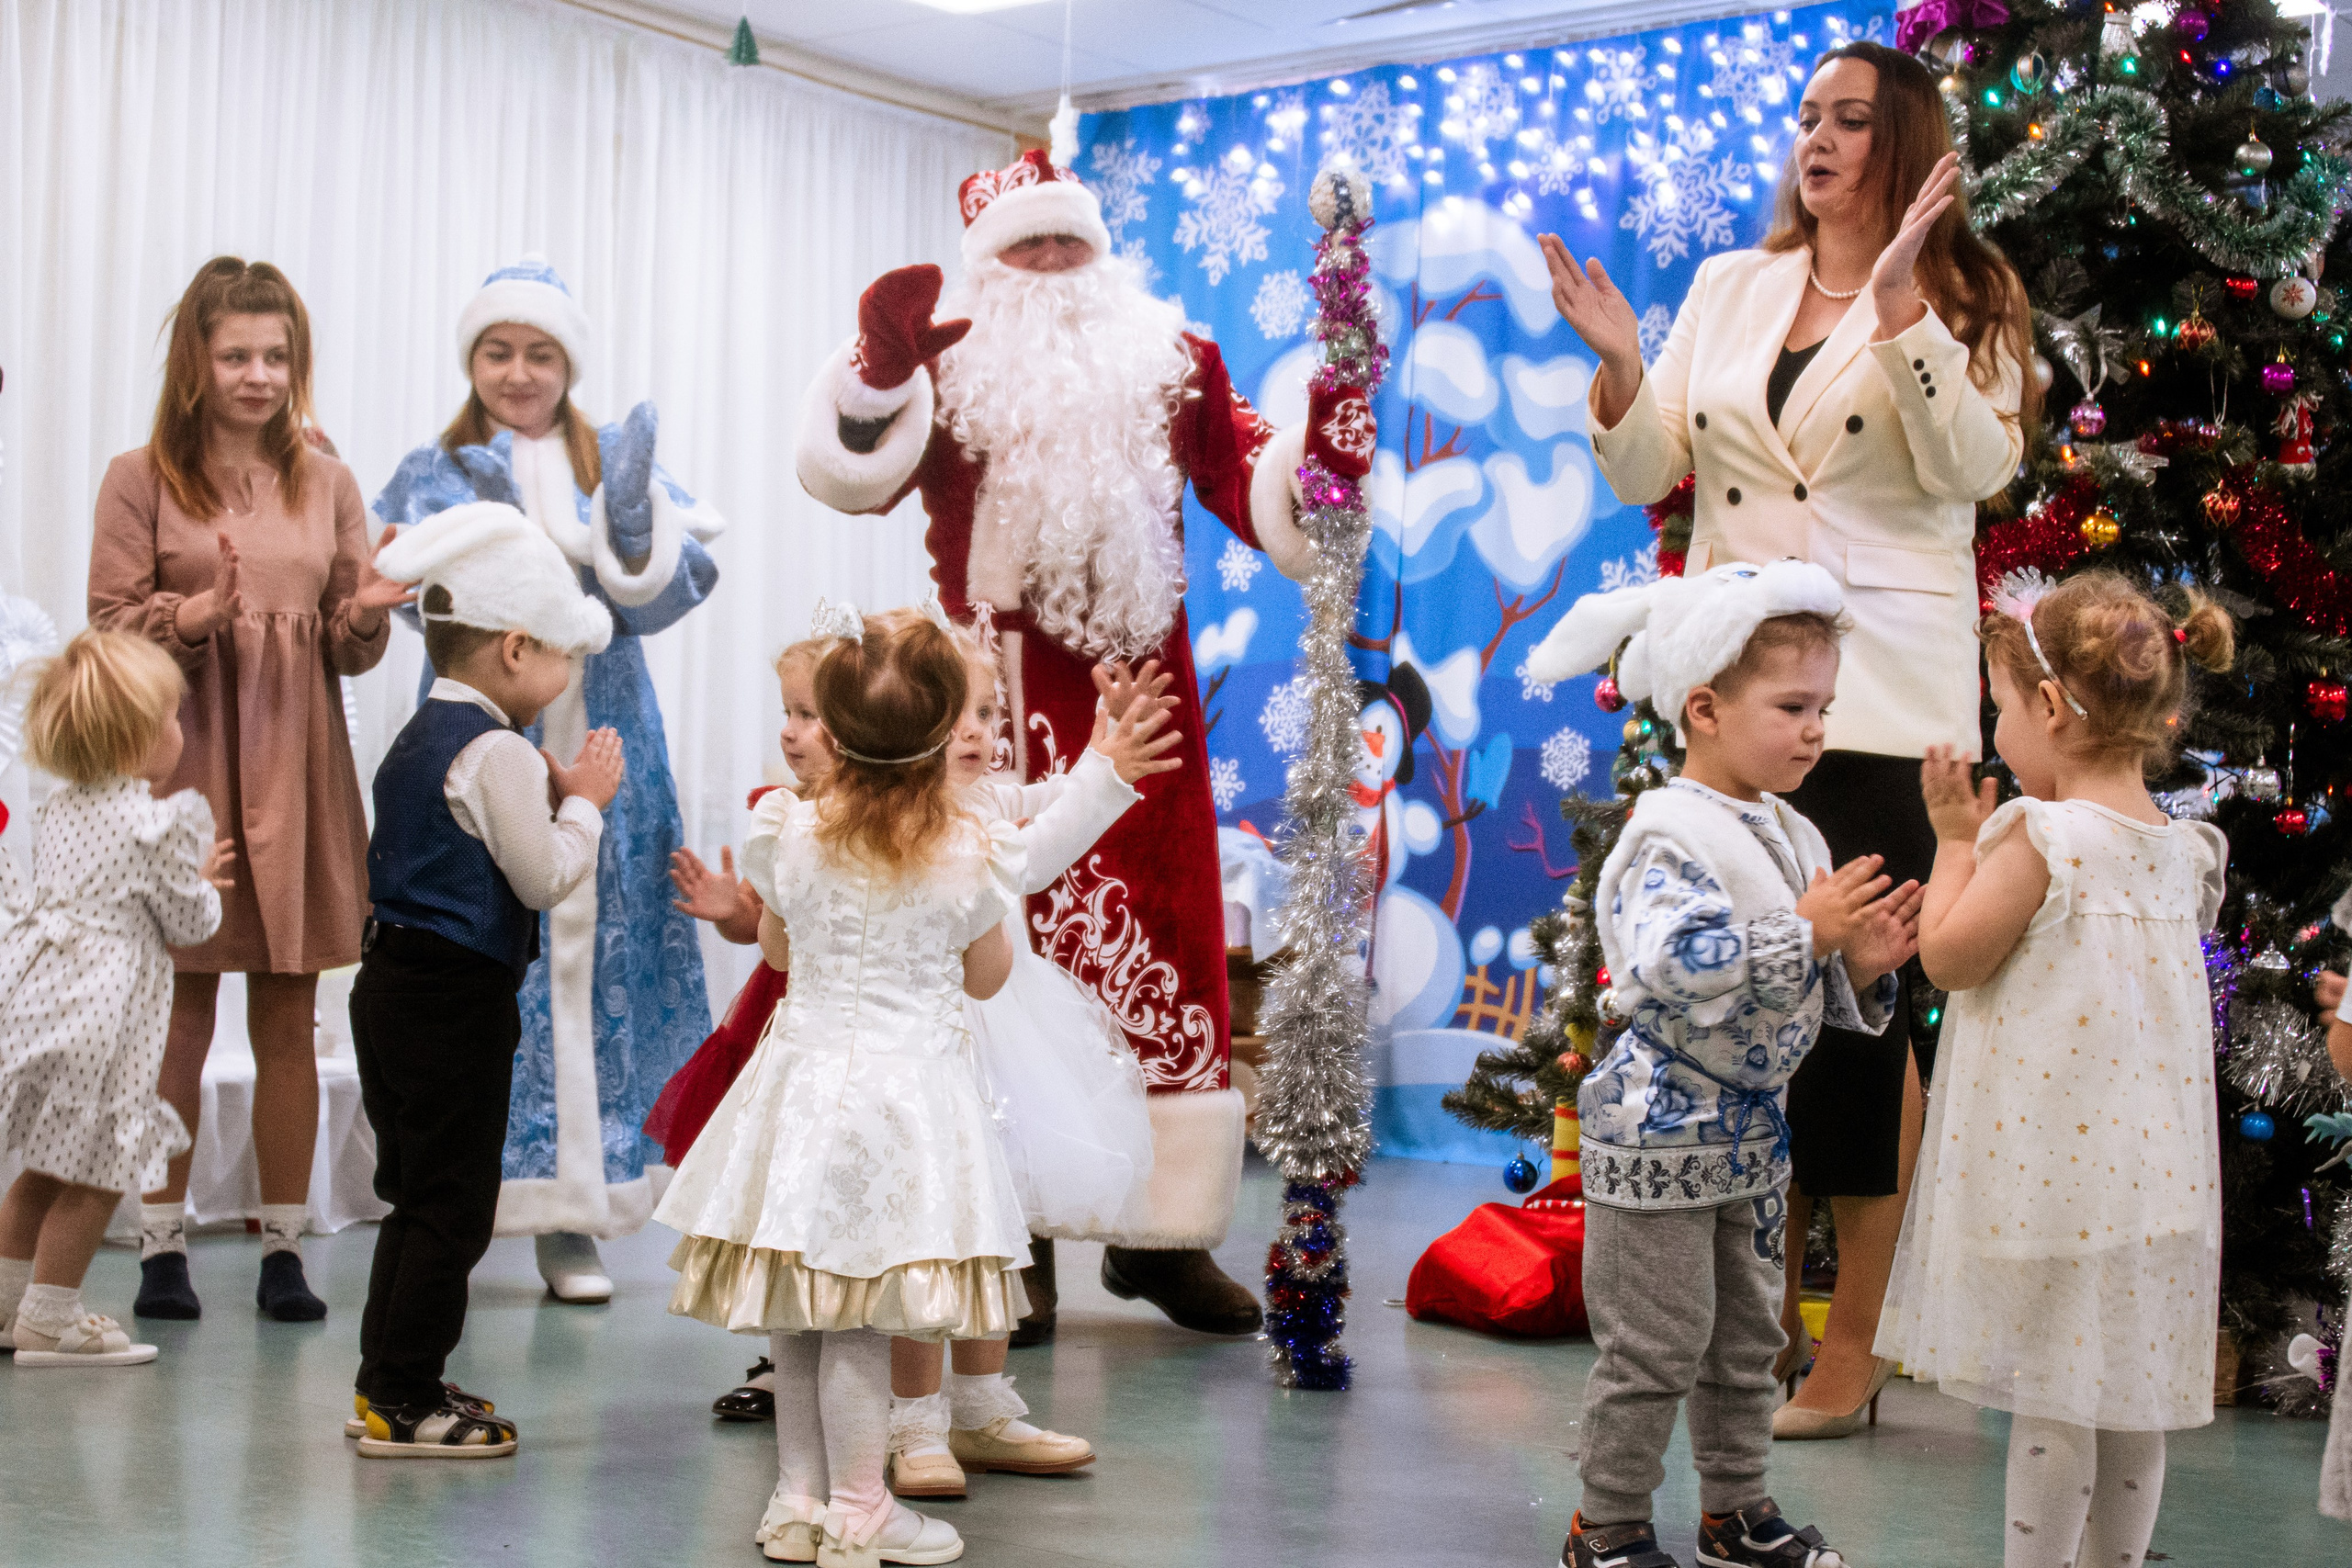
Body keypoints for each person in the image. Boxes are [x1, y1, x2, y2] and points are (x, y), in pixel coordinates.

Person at [795, 131, 1378, 1337]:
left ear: (1102, 253)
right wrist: (874, 367)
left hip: (1138, 707)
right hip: (982, 713)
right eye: (1027, 244)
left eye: (1071, 238)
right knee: (991, 953)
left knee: (1161, 941)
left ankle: (1158, 1237)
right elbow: (847, 474)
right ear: (989, 266)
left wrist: (1328, 428)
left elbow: (1268, 495)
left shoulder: (1174, 357)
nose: (1053, 261)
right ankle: (1011, 1235)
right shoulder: (947, 367)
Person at [1541, 39, 2036, 1435]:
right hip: (1737, 695)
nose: (1817, 140)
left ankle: (1854, 1340)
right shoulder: (1731, 286)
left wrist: (1899, 322)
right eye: (1806, 117)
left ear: (1904, 139)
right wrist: (1628, 369)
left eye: (1850, 120)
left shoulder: (1967, 293)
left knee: (1860, 1032)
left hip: (1877, 703)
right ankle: (1758, 1317)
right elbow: (1656, 468)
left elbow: (1981, 473)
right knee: (1750, 1002)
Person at [656, 612, 1175, 1566]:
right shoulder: (965, 853)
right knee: (858, 1317)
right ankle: (861, 1510)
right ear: (943, 735)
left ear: (837, 726)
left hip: (798, 1095)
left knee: (803, 1316)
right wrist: (1102, 775)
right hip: (900, 1112)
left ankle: (796, 1502)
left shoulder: (789, 829)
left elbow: (775, 946)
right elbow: (985, 977)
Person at [1523, 560, 1920, 1568]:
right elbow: (1665, 965)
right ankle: (1604, 1526)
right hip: (1655, 1138)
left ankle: (1733, 1512)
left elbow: (1797, 981)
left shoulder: (1790, 827)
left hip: (1748, 1142)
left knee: (1749, 1345)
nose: (1815, 730)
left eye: (1823, 707)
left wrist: (1859, 968)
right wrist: (1802, 930)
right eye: (1791, 706)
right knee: (1653, 1348)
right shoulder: (1666, 831)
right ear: (1703, 707)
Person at [374, 255, 725, 1303]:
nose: (518, 372)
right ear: (471, 360)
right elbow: (401, 598)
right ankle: (488, 1196)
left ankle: (581, 1213)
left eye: (538, 353)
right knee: (499, 975)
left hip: (608, 736)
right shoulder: (432, 471)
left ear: (567, 363)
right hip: (486, 744)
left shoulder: (614, 460)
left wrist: (621, 525)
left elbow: (674, 590)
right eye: (498, 351)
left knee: (607, 967)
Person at [1880, 571, 2233, 1568]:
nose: (1996, 734)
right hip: (2154, 1180)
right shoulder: (2180, 848)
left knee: (2053, 1398)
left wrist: (1953, 839)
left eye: (1999, 708)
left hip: (2050, 1180)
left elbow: (1947, 957)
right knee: (2131, 1397)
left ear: (2048, 707)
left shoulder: (2041, 837)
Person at [88, 257, 409, 1323]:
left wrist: (369, 609)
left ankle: (283, 1248)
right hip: (184, 762)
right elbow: (108, 629)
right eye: (237, 355)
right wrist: (195, 615)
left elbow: (350, 647)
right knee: (175, 1016)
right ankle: (160, 1243)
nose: (259, 375)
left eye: (277, 356)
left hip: (300, 764)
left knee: (290, 1014)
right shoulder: (139, 477)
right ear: (195, 360)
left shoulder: (330, 479)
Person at [345, 502, 621, 1457]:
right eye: (562, 659)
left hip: (388, 985)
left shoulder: (422, 733)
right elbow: (543, 876)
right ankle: (404, 1398)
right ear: (514, 649)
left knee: (416, 1197)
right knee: (453, 1208)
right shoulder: (497, 748)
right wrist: (583, 806)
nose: (564, 678)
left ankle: (389, 1383)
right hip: (453, 1001)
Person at [884, 606, 1169, 1499]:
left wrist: (1097, 755)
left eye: (988, 716)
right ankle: (915, 1425)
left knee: (998, 1235)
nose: (980, 733)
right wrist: (1102, 781)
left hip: (1003, 1048)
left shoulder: (982, 800)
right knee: (932, 1241)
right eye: (959, 715)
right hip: (929, 1050)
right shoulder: (915, 819)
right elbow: (1028, 858)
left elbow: (1038, 809)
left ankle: (980, 1407)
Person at [0, 632, 232, 1368]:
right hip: (107, 1021)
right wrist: (200, 880)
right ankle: (50, 1318)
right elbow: (188, 923)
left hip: (48, 1005)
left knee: (43, 1169)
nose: (180, 731)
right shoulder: (152, 821)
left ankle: (5, 1305)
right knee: (98, 1171)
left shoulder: (60, 808)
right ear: (135, 739)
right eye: (170, 718)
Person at [652, 632, 837, 1423]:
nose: (789, 731)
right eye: (786, 712)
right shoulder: (781, 812)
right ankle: (781, 1350)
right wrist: (737, 911)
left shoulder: (890, 815)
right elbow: (770, 927)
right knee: (778, 1188)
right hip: (779, 1022)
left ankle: (864, 1351)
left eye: (809, 715)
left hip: (854, 1026)